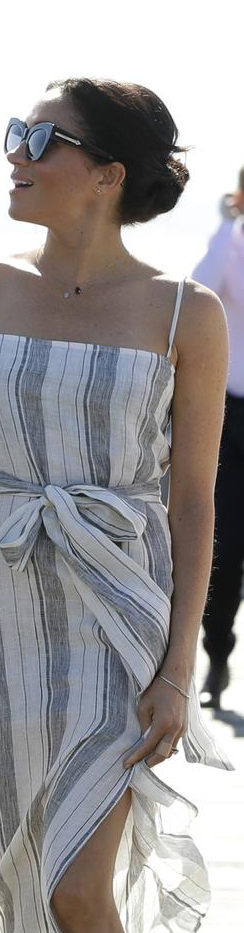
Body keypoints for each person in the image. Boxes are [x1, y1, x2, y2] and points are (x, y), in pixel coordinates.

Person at [0, 78, 233, 933]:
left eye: (41, 141)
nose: (15, 154)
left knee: (76, 889)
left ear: (107, 174)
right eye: (15, 134)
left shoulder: (189, 314)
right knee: (20, 862)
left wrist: (178, 667)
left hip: (120, 618)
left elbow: (190, 500)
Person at [191, 169, 244, 708]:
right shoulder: (230, 244)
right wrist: (228, 227)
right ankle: (219, 661)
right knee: (224, 548)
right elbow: (199, 288)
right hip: (230, 414)